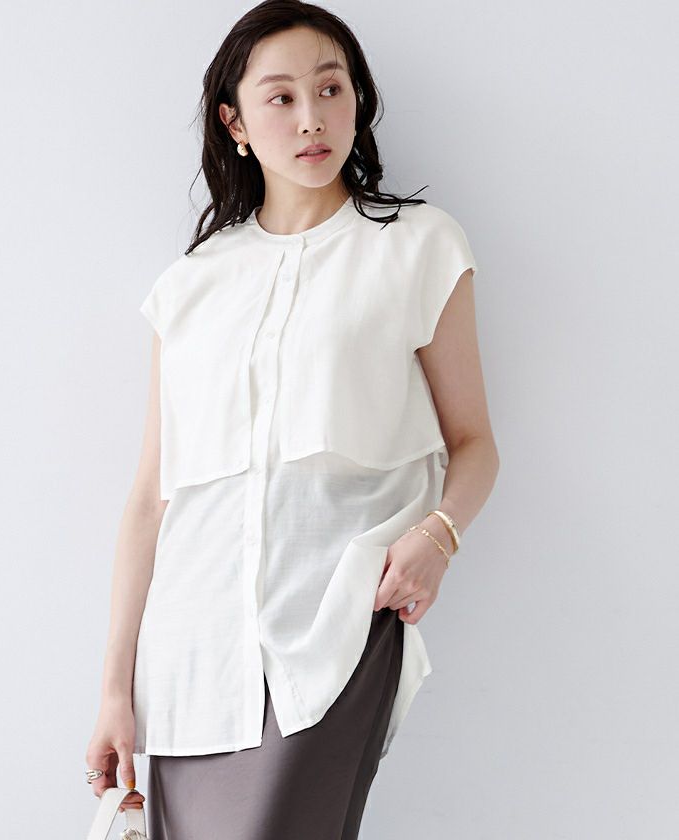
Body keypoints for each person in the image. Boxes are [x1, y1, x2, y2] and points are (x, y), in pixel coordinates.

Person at [85, 1, 499, 837]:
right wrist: (114, 693)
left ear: (357, 100)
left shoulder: (418, 246)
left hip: (334, 628)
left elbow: (474, 444)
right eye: (280, 97)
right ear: (234, 123)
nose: (312, 118)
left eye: (330, 89)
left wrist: (439, 536)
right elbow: (151, 500)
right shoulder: (191, 284)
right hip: (193, 657)